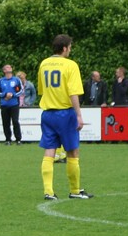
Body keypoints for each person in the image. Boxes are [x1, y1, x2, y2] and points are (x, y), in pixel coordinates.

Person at [37, 34, 92, 200]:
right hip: (65, 113)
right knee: (73, 152)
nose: (70, 50)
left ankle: (48, 191)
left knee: (49, 152)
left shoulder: (44, 64)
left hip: (48, 114)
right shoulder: (70, 65)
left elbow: (42, 90)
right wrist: (79, 115)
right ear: (64, 48)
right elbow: (73, 93)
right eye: (70, 47)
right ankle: (75, 191)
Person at [0, 64, 23, 144]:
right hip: (4, 105)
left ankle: (18, 139)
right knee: (5, 122)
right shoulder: (0, 81)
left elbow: (21, 91)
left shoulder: (16, 80)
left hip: (14, 104)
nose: (9, 68)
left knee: (15, 121)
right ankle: (8, 139)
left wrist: (12, 95)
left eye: (10, 67)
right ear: (4, 70)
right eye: (7, 67)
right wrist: (5, 95)